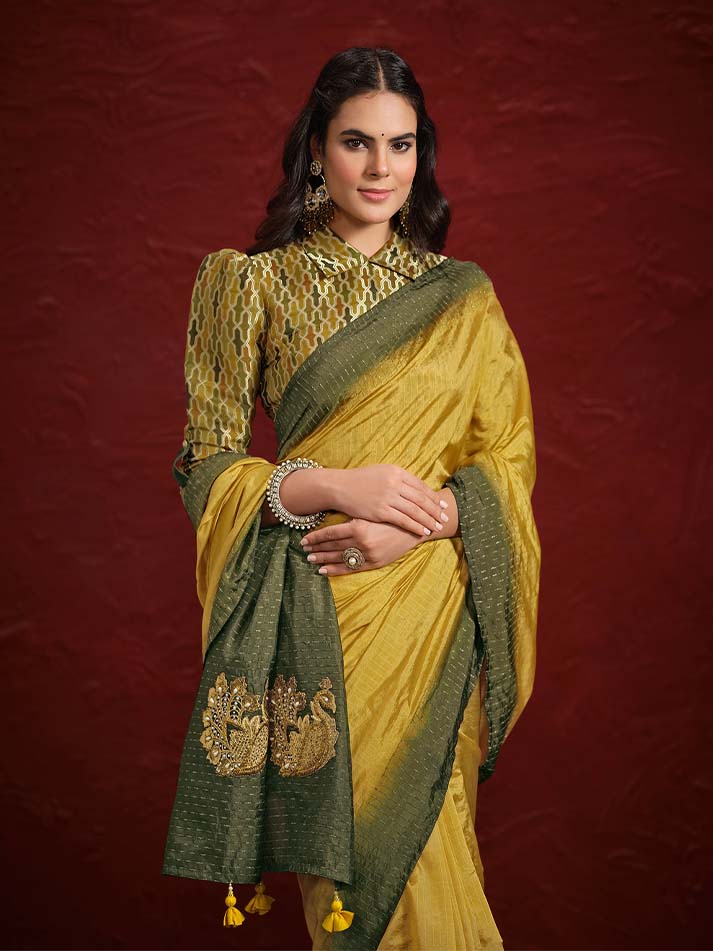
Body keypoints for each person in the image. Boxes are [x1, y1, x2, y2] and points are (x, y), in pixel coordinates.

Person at [162, 46, 541, 951]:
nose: (380, 168)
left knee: (432, 844)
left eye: (400, 145)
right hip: (317, 612)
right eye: (356, 142)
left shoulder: (463, 299)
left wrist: (423, 524)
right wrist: (331, 486)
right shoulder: (248, 283)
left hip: (432, 611)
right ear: (315, 151)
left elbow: (505, 460)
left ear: (420, 155)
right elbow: (205, 463)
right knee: (355, 869)